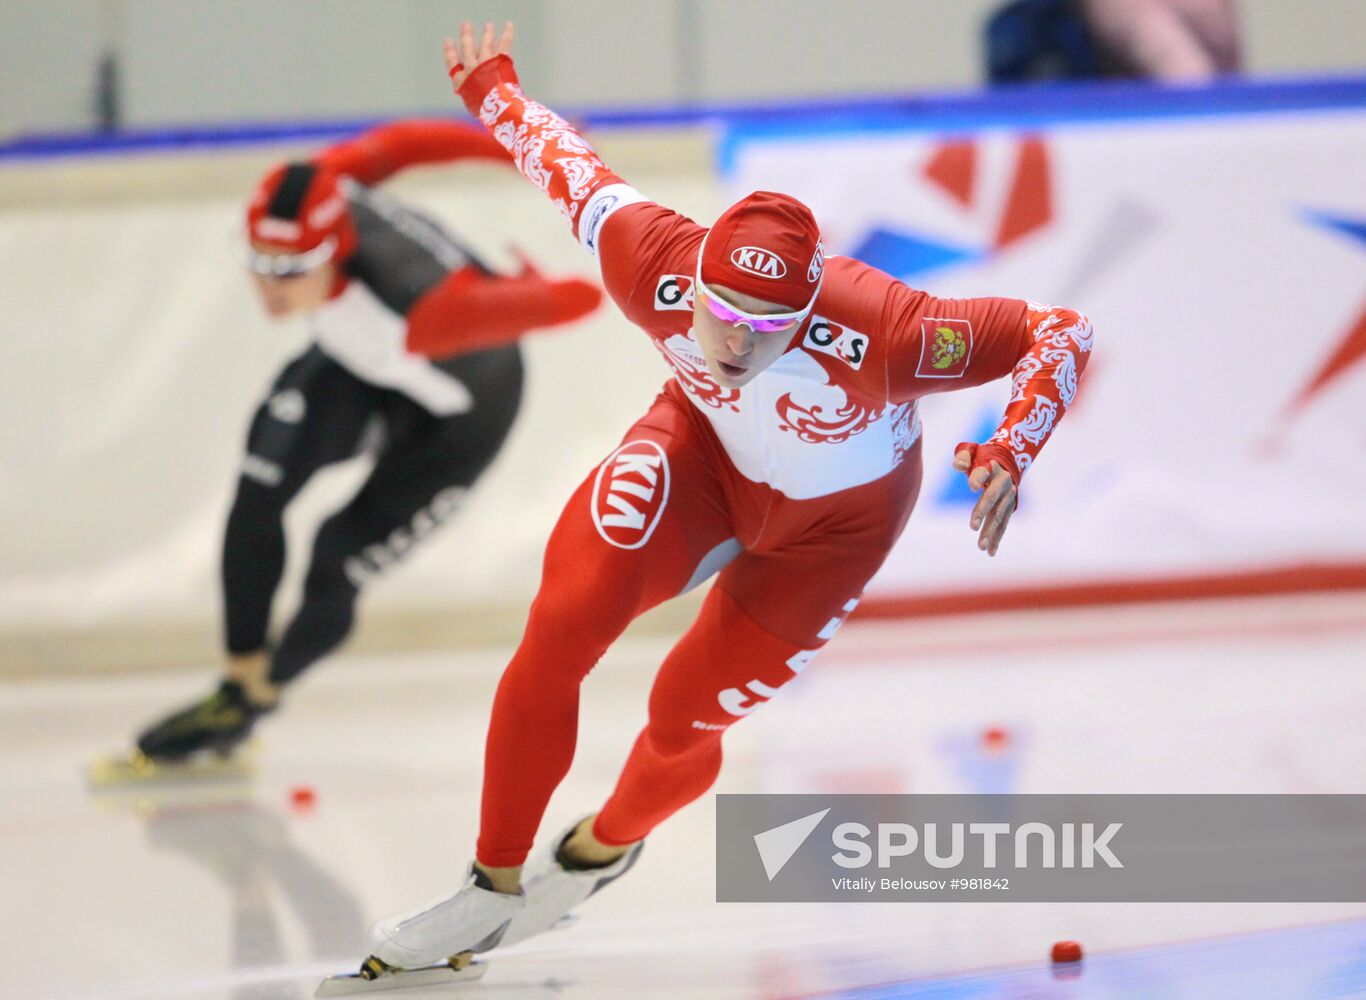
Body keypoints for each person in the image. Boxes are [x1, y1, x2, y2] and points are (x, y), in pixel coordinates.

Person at [341, 23, 1094, 984]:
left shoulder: (892, 334)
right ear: (689, 281)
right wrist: (493, 86)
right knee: (562, 623)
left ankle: (601, 850)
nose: (735, 343)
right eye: (721, 316)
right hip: (700, 459)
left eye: (768, 328)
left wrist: (1009, 443)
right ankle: (488, 887)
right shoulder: (648, 253)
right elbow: (565, 163)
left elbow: (1061, 332)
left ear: (813, 308)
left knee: (681, 720)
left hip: (834, 530)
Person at [127, 118, 603, 771]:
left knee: (337, 556)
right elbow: (410, 142)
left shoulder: (434, 314)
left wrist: (524, 289)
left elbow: (583, 299)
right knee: (257, 492)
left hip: (460, 414)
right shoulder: (324, 181)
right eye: (258, 264)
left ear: (333, 250)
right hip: (365, 364)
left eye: (290, 270)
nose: (270, 288)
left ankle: (260, 698)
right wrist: (516, 147)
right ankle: (237, 680)